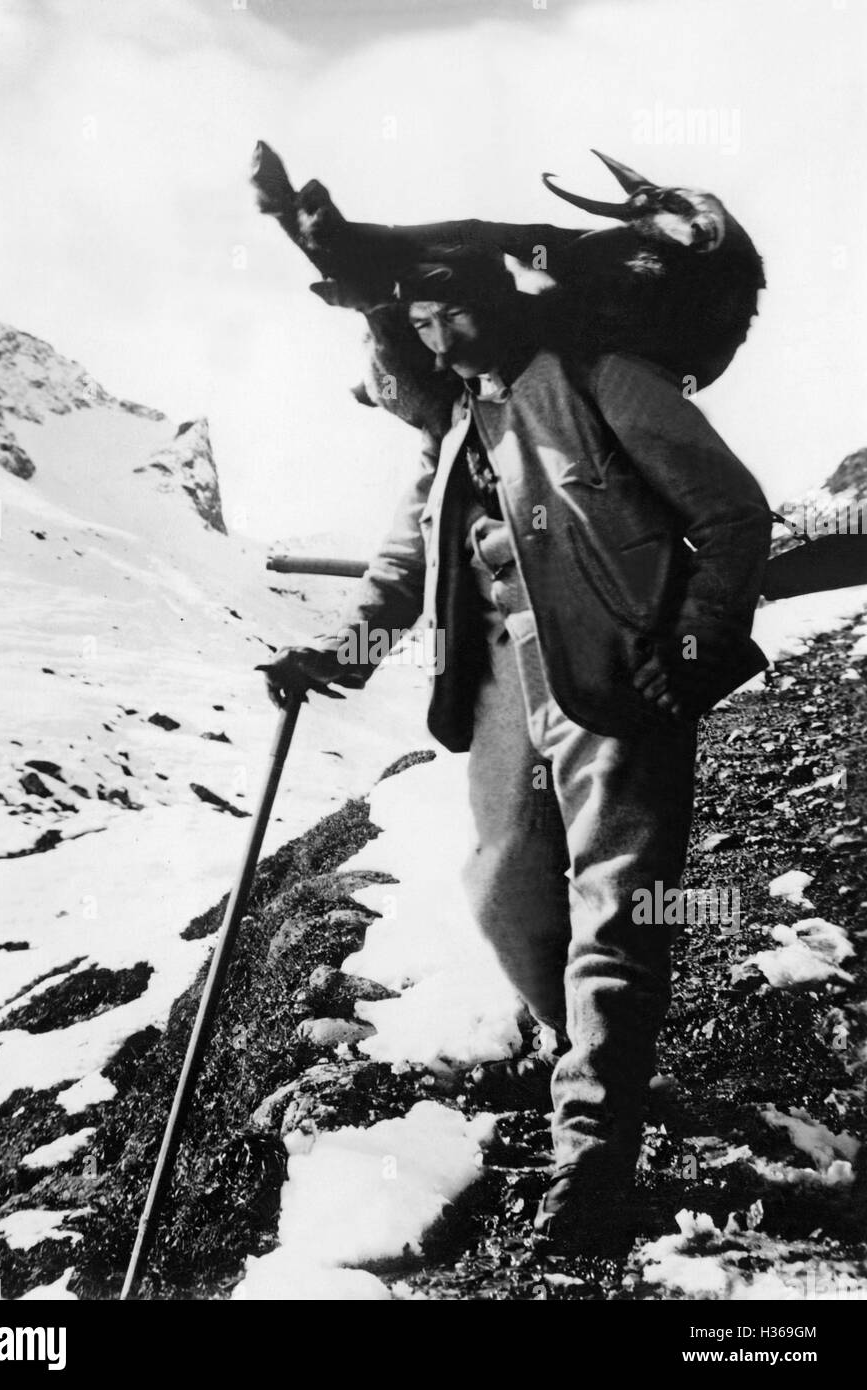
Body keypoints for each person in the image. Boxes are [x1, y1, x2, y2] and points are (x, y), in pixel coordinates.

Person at [258, 246, 772, 1256]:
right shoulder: (453, 427)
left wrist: (702, 637)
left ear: (497, 299)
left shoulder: (598, 380)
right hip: (502, 681)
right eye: (420, 319)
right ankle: (600, 1063)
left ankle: (592, 1152)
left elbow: (730, 507)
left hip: (616, 674)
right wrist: (336, 655)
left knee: (616, 908)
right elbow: (402, 566)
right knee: (503, 895)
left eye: (448, 311)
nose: (436, 337)